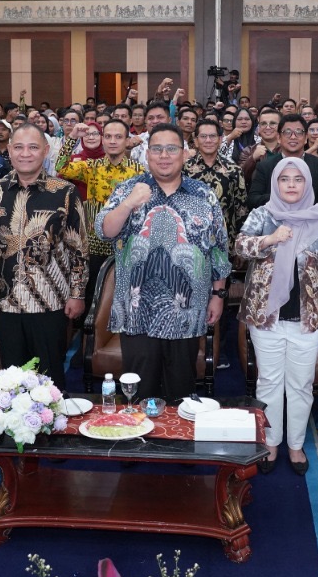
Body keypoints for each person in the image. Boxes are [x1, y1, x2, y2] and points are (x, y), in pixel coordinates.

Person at [97, 125, 230, 404]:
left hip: (186, 312)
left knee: (180, 396)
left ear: (184, 154)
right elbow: (105, 231)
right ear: (147, 154)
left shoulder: (203, 194)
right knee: (138, 396)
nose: (164, 155)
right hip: (136, 313)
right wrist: (128, 204)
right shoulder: (129, 189)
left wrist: (218, 294)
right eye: (157, 149)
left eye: (171, 149)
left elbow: (218, 248)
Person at [233, 157, 318, 474]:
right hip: (266, 318)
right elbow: (240, 247)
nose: (292, 185)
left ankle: (295, 445)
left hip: (308, 319)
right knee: (269, 382)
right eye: (285, 179)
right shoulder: (262, 214)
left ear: (307, 183)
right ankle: (270, 443)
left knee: (301, 385)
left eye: (298, 179)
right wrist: (270, 239)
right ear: (275, 183)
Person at [0, 123, 88, 380]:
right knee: (11, 377)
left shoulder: (65, 192)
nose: (25, 153)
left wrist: (77, 294)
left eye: (33, 147)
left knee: (50, 377)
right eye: (19, 147)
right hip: (4, 302)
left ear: (45, 151)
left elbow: (78, 248)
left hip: (50, 302)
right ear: (9, 150)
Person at [57, 118, 145, 297]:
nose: (112, 141)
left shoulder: (139, 172)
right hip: (95, 244)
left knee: (124, 295)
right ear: (103, 140)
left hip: (126, 245)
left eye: (118, 137)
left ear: (127, 141)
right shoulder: (91, 167)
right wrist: (73, 137)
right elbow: (61, 166)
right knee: (91, 294)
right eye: (108, 136)